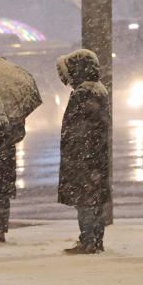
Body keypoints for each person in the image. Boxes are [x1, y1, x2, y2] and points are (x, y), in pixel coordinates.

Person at [57, 49, 111, 255]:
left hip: (83, 158)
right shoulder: (99, 91)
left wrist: (73, 150)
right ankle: (96, 240)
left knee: (85, 200)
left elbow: (77, 129)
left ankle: (87, 240)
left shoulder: (83, 94)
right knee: (94, 200)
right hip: (95, 158)